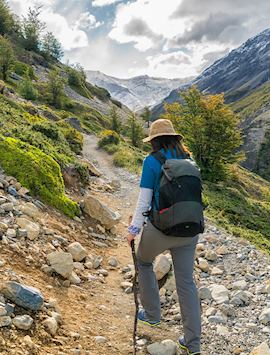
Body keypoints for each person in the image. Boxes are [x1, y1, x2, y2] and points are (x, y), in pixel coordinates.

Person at [127, 119, 201, 355]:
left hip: (161, 230)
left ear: (154, 141)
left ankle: (151, 316)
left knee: (144, 261)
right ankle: (193, 344)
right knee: (186, 283)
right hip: (190, 231)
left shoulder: (152, 161)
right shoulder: (190, 161)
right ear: (175, 138)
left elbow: (144, 201)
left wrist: (133, 230)